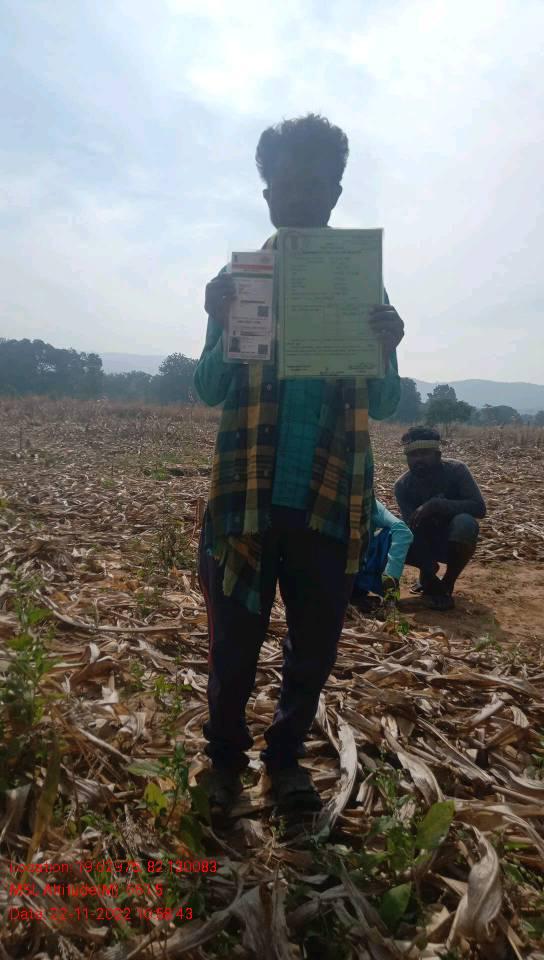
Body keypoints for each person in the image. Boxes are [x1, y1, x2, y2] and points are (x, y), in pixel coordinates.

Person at [194, 114, 404, 817]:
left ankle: (284, 761)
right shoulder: (240, 280)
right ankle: (224, 760)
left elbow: (385, 400)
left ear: (335, 195)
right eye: (285, 184)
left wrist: (388, 344)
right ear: (267, 196)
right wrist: (218, 322)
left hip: (328, 497)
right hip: (245, 495)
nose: (299, 196)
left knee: (312, 649)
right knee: (233, 646)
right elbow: (209, 389)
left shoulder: (360, 286)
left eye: (314, 184)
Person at [394, 426, 486, 611]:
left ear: (438, 454)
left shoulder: (457, 470)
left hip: (453, 540)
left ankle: (448, 581)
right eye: (413, 455)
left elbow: (479, 508)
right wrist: (429, 572)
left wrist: (437, 505)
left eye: (424, 453)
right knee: (394, 535)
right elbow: (412, 528)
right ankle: (429, 575)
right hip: (424, 541)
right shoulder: (403, 485)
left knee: (465, 523)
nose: (418, 459)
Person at [351, 498, 413, 613]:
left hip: (359, 568)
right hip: (333, 570)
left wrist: (390, 578)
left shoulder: (367, 501)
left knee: (390, 534)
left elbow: (402, 532)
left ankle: (364, 592)